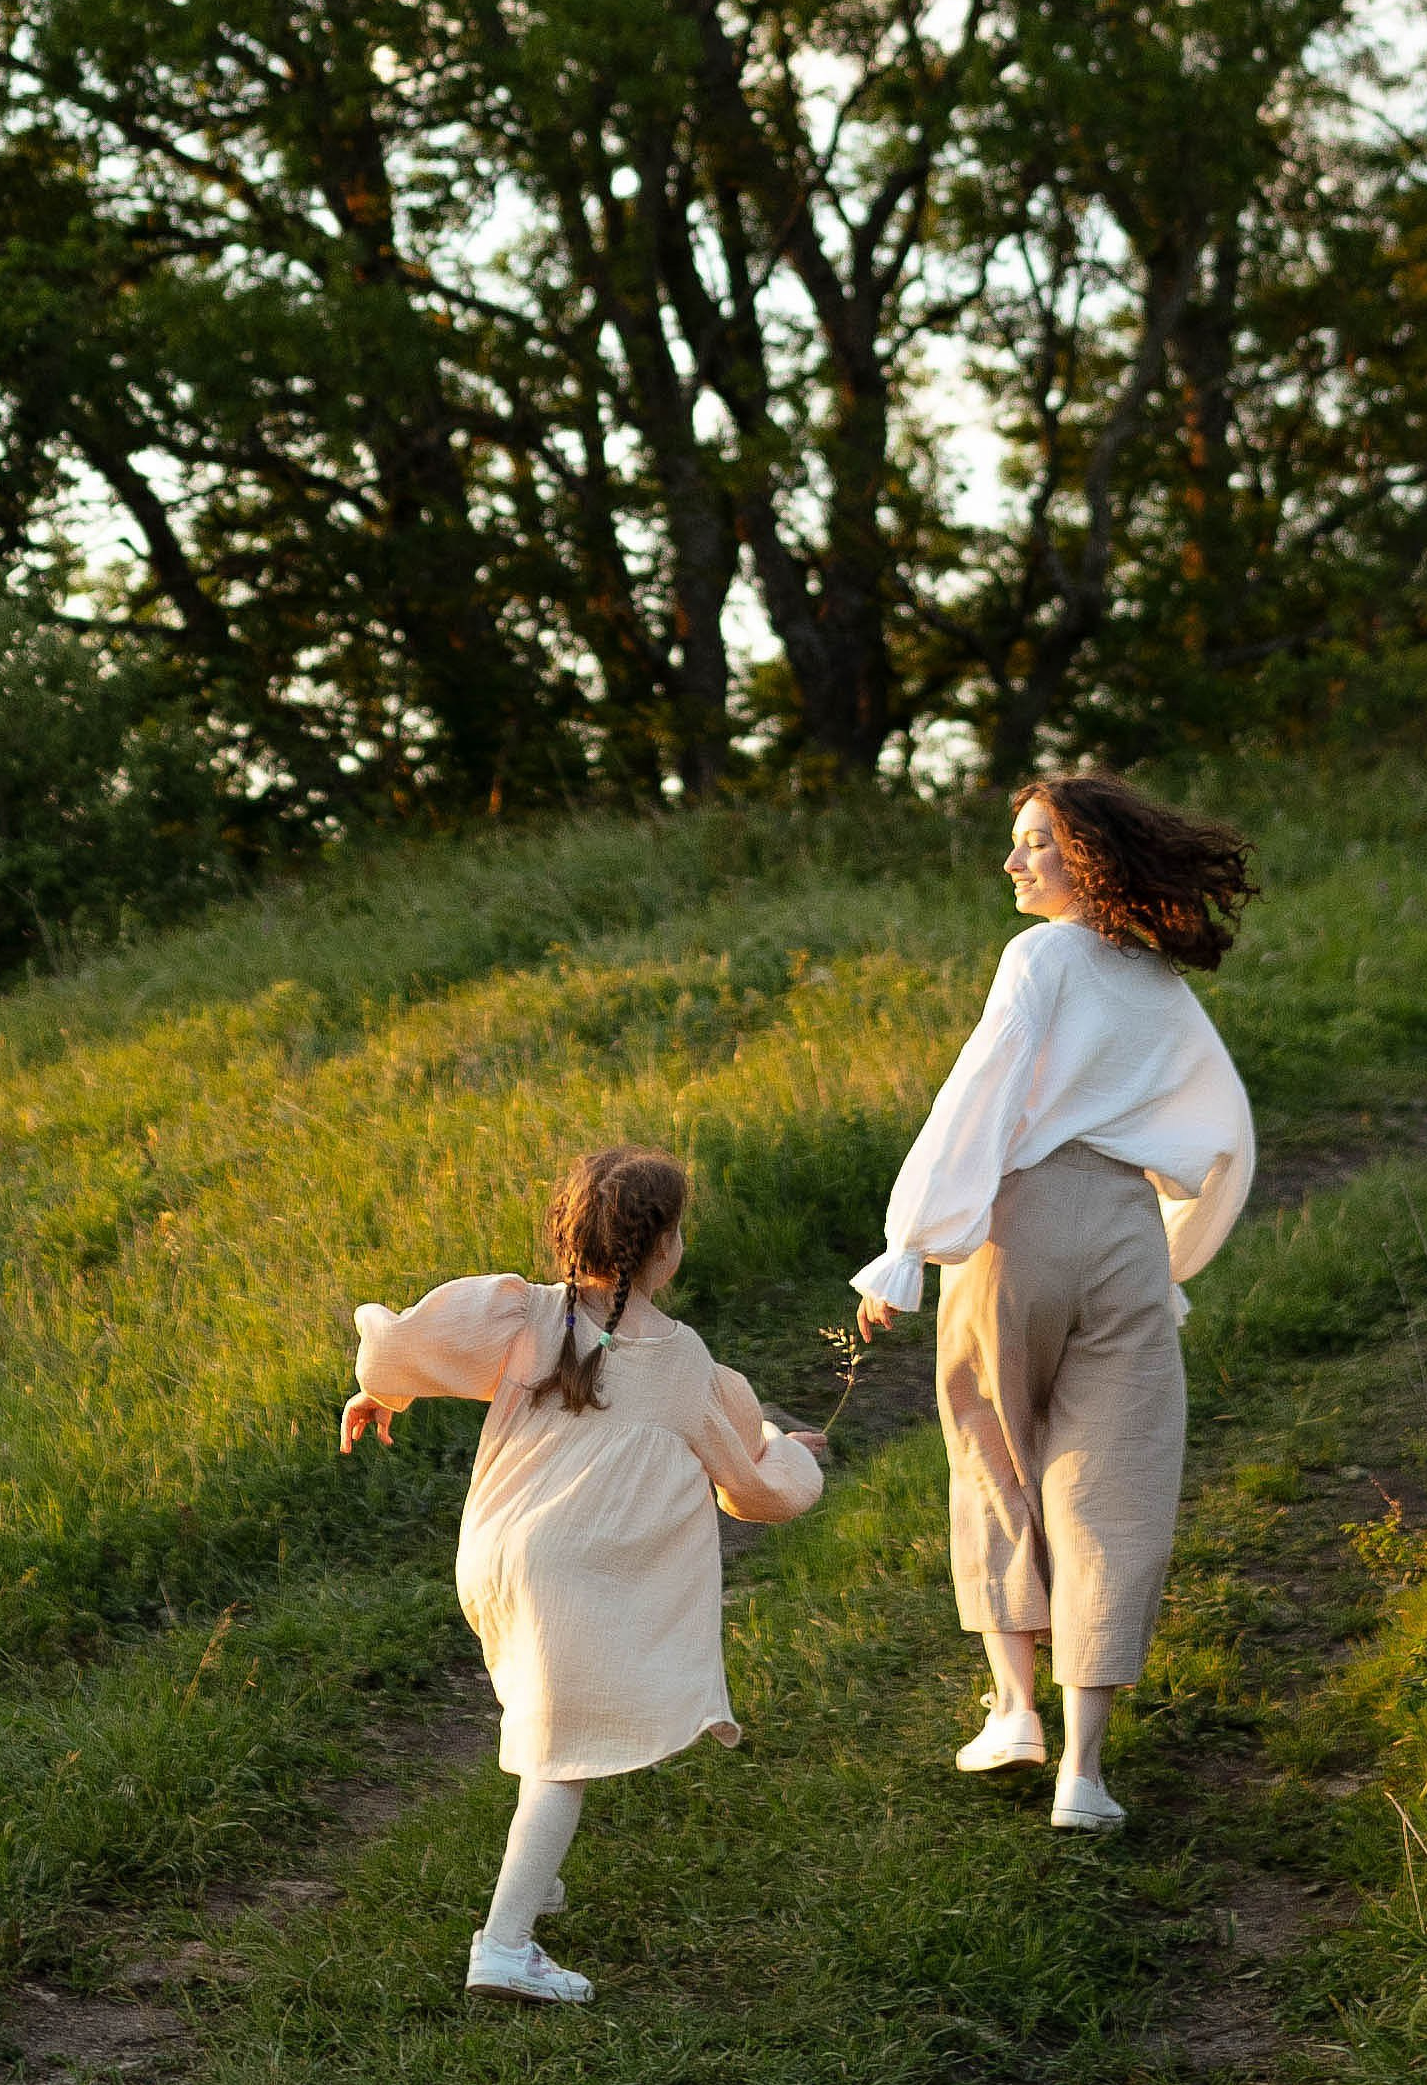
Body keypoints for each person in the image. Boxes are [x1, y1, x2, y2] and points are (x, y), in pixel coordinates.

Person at [852, 773, 1255, 1832]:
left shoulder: (1037, 956)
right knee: (1112, 1486)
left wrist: (908, 1246)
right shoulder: (1160, 981)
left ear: (1090, 859)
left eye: (1035, 843)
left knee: (995, 1450)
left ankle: (1016, 1710)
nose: (1014, 861)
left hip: (1015, 1221)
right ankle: (1085, 1772)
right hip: (1124, 1226)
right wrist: (1174, 1249)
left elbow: (978, 1096)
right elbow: (1225, 1127)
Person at [342, 1143, 825, 2004]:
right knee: (560, 1761)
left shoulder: (525, 1314)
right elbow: (747, 1485)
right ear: (664, 1246)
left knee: (545, 1711)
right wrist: (789, 1456)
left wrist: (383, 1390)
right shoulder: (679, 1359)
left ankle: (537, 1876)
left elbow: (405, 1344)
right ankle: (504, 1943)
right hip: (571, 1571)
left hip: (495, 1551)